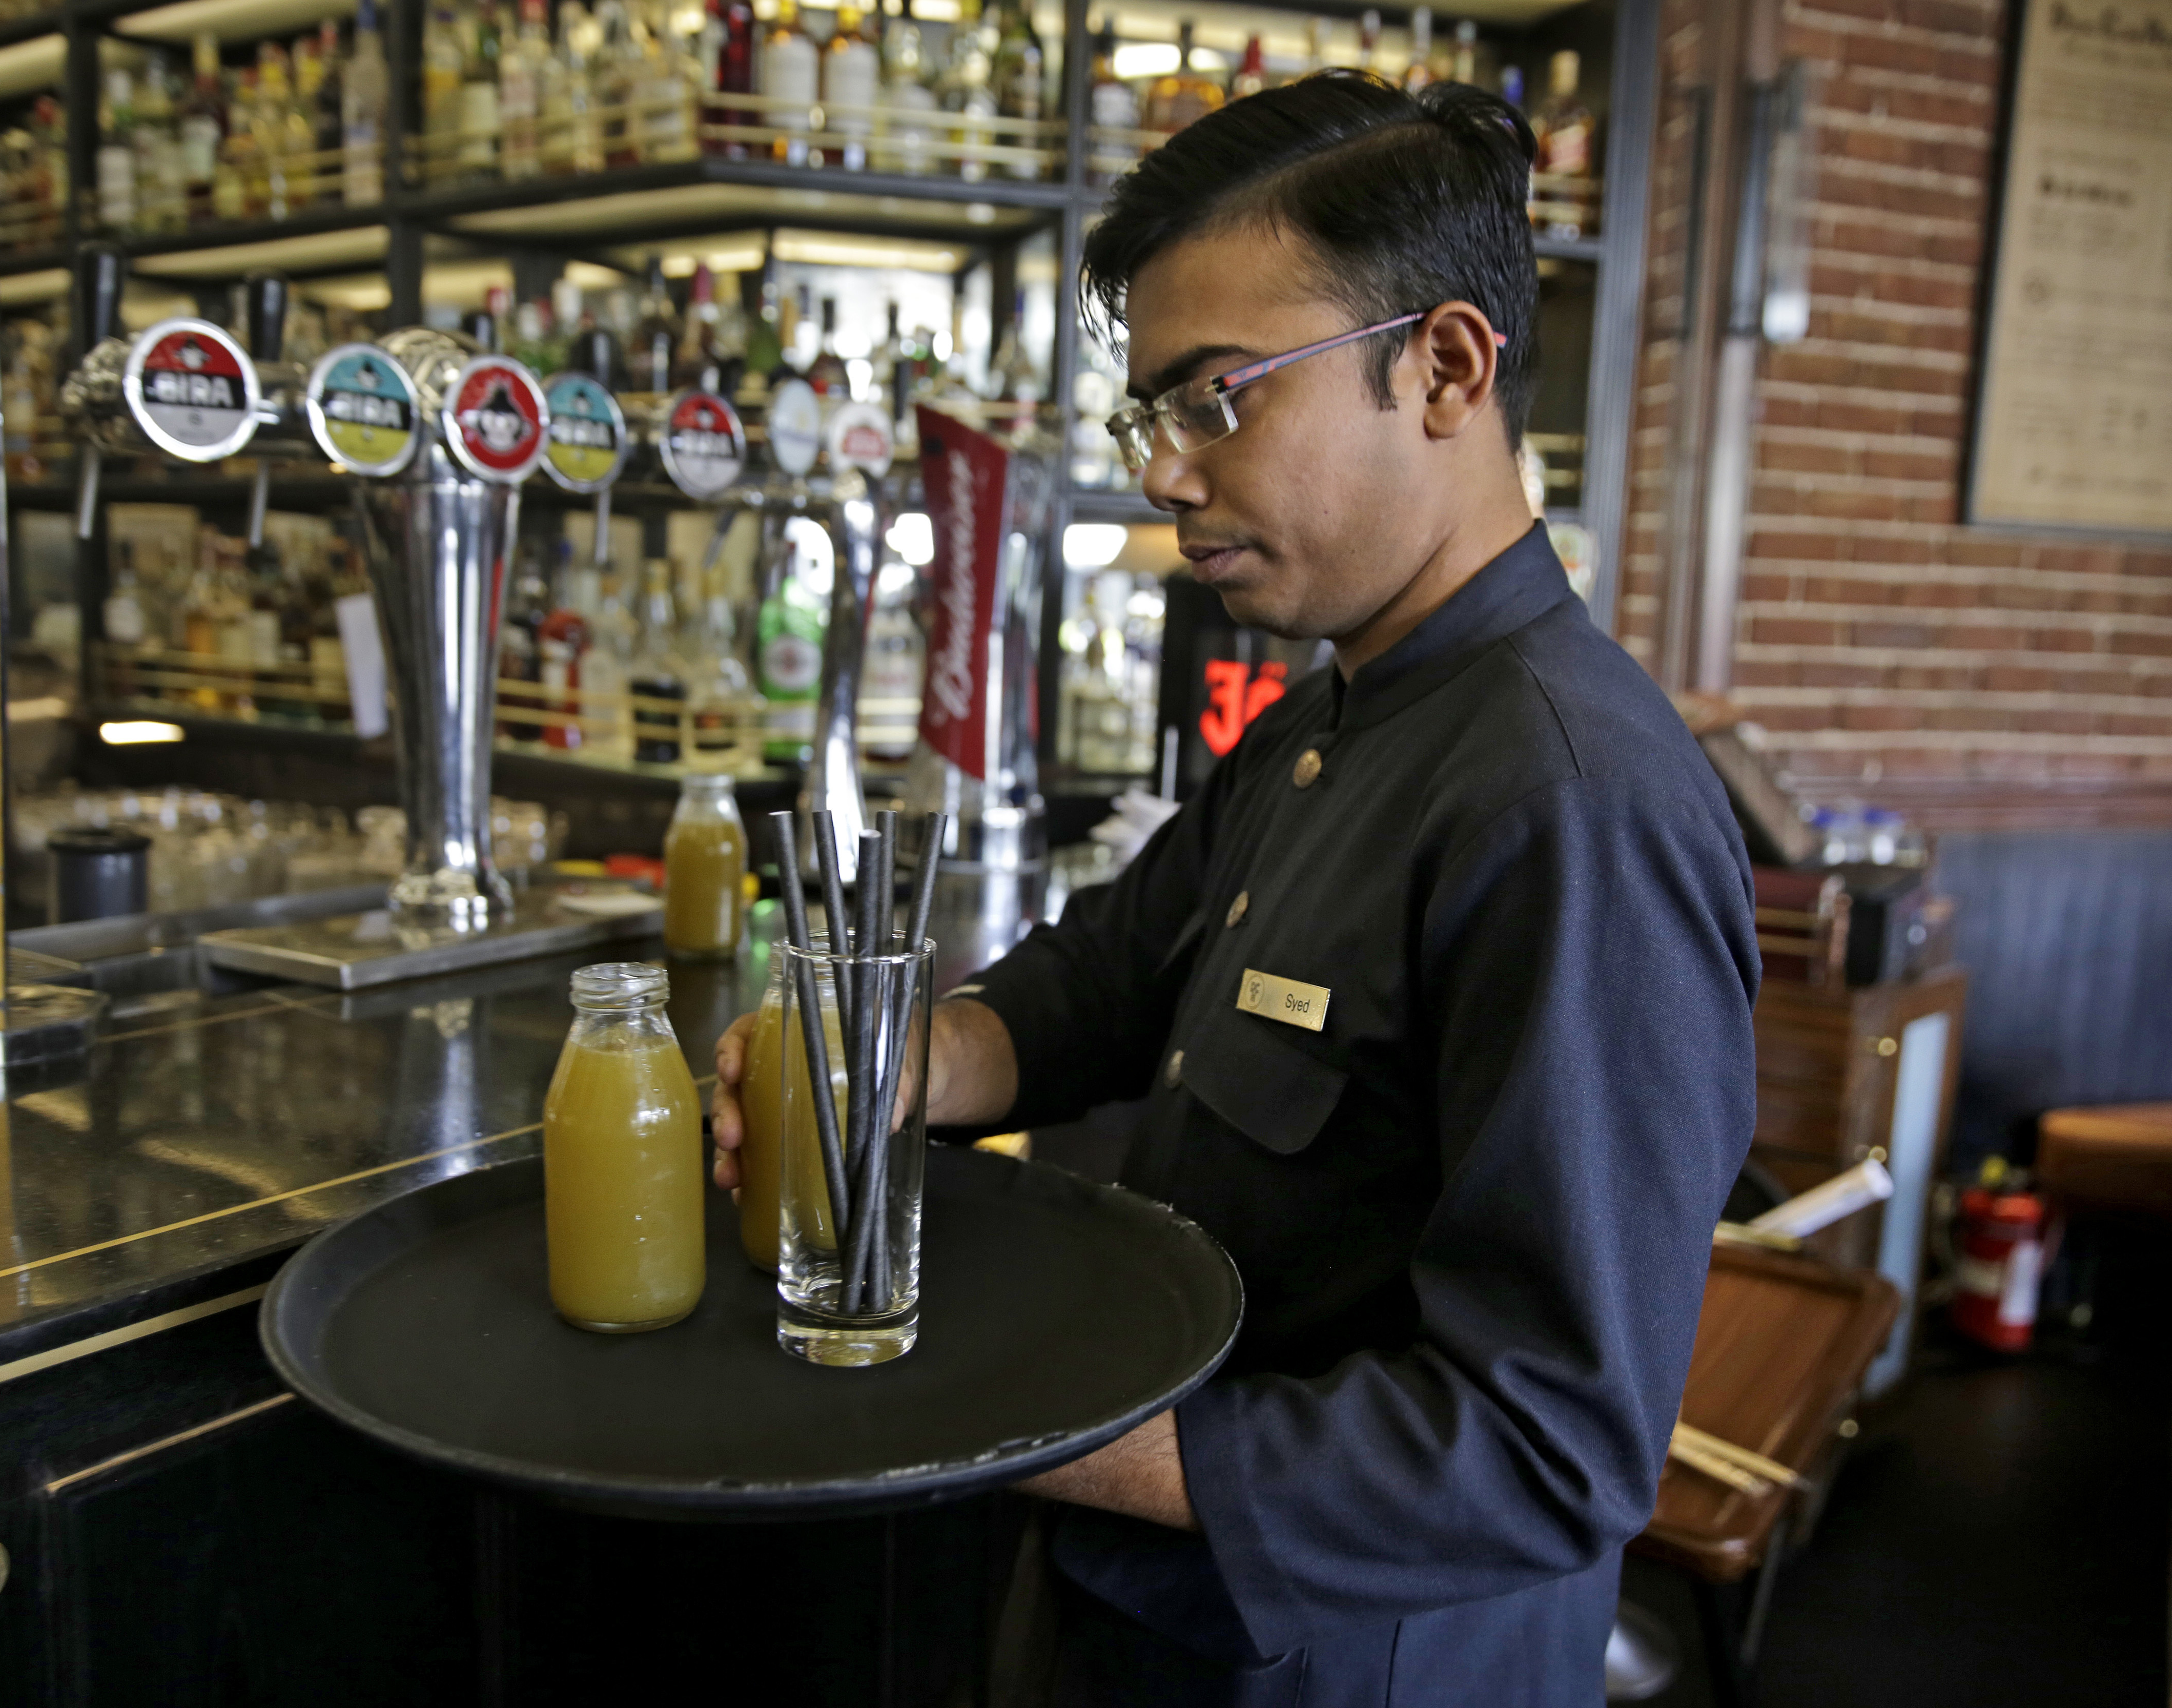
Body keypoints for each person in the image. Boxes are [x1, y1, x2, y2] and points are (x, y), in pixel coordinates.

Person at [712, 73, 1759, 1707]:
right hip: (1149, 1613)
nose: (1168, 477)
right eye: (1152, 420)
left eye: (1219, 401)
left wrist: (1016, 1424)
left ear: (1447, 368)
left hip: (1346, 1659)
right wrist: (884, 1062)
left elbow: (1547, 1448)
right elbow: (1106, 986)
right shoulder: (1336, 719)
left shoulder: (1568, 806)